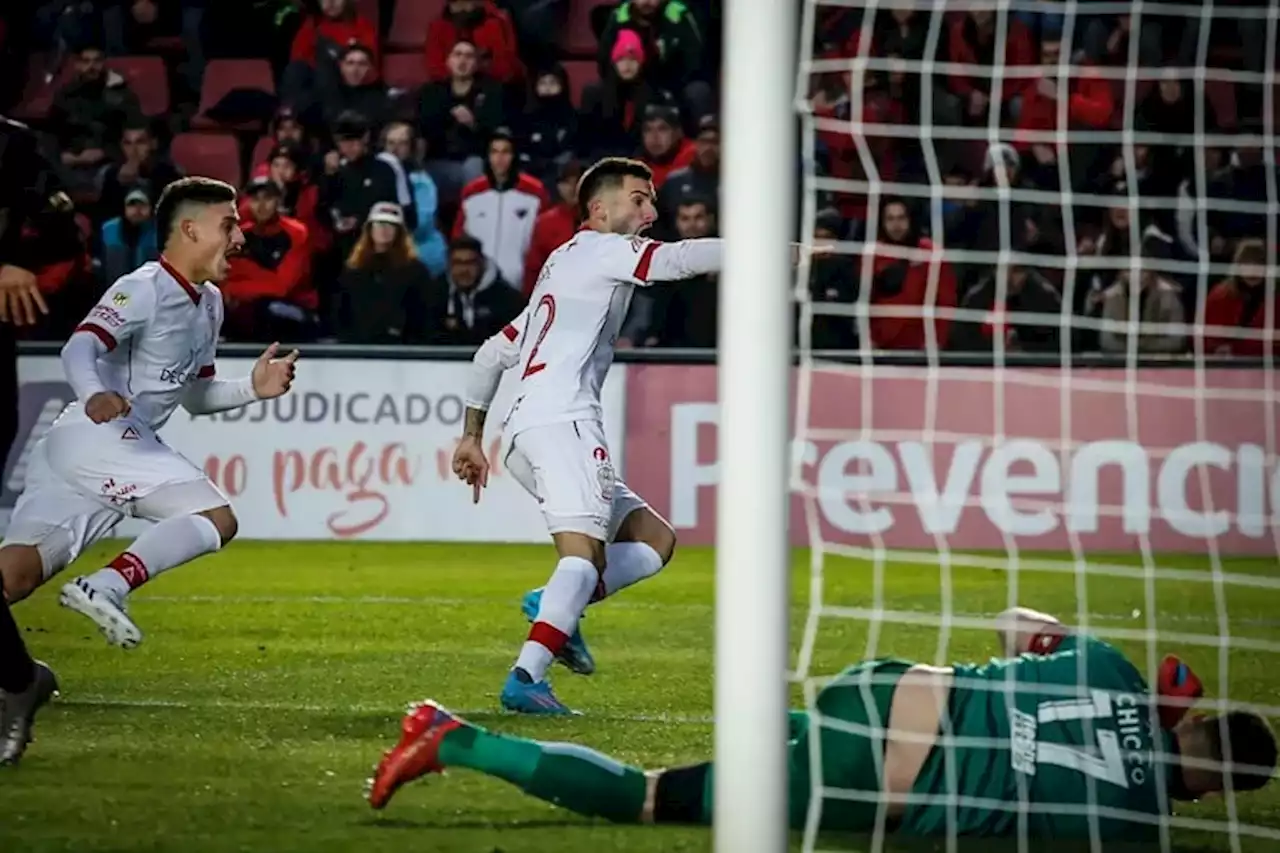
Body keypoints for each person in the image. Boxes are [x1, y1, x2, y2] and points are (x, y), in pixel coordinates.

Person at [367, 605, 1278, 843]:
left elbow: (1011, 626)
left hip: (885, 688)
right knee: (651, 802)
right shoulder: (1138, 827)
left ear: (1193, 717)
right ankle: (451, 736)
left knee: (746, 755)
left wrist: (1138, 691)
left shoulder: (1117, 672)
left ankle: (451, 733)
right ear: (1209, 790)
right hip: (886, 779)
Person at [449, 157, 724, 715]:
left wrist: (472, 437)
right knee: (580, 559)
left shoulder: (562, 264)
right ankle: (526, 676)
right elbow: (677, 260)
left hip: (524, 434)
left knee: (654, 541)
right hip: (563, 421)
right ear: (599, 209)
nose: (651, 211)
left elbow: (490, 353)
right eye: (639, 199)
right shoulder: (604, 250)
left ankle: (555, 606)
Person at [0, 177, 300, 672]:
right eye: (229, 225)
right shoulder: (143, 288)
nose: (241, 238)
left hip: (90, 454)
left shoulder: (209, 303)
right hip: (98, 433)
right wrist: (94, 392)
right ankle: (107, 586)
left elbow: (197, 396)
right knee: (216, 519)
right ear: (189, 229)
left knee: (16, 577)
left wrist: (251, 387)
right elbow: (80, 346)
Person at [0, 113, 75, 766]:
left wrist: (17, 259)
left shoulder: (13, 145)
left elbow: (63, 233)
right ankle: (21, 679)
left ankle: (21, 680)